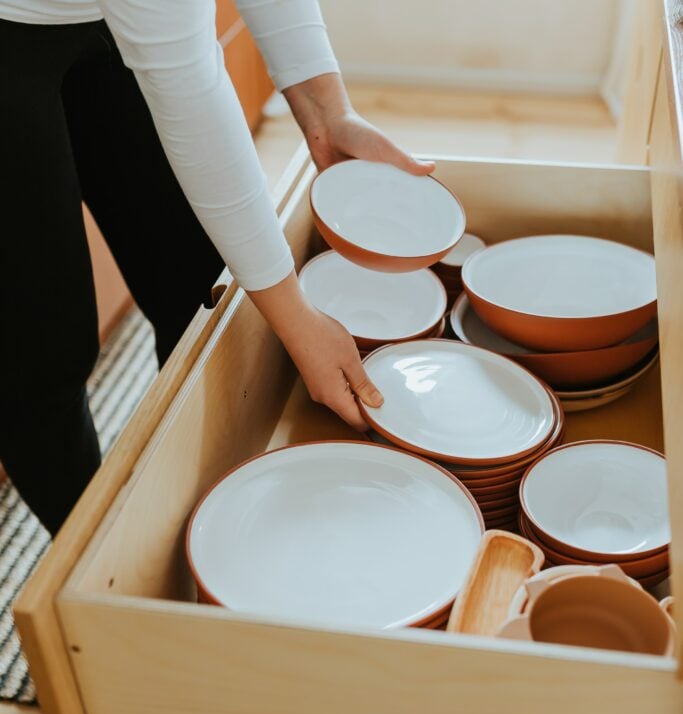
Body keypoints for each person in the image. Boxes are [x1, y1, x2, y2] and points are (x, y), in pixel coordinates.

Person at [0, 0, 434, 536]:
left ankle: (191, 521)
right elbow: (187, 84)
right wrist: (299, 323)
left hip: (101, 17)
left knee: (196, 287)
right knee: (42, 355)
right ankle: (96, 566)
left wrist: (328, 110)